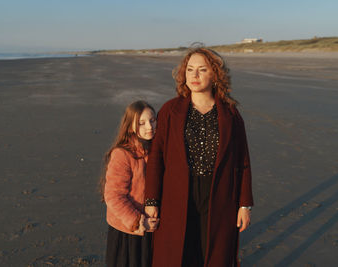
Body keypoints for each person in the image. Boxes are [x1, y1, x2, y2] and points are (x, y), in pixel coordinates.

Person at [144, 48, 254, 267]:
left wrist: (244, 205)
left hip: (220, 194)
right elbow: (157, 158)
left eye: (202, 70)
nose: (194, 76)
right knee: (177, 253)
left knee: (212, 254)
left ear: (215, 74)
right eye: (190, 70)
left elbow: (243, 160)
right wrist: (151, 201)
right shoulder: (170, 110)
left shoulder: (231, 114)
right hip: (177, 194)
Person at [101, 100, 160, 267]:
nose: (149, 126)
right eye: (141, 123)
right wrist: (138, 221)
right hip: (127, 232)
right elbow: (113, 196)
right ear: (130, 126)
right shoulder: (122, 154)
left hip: (151, 228)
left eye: (152, 120)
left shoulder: (156, 151)